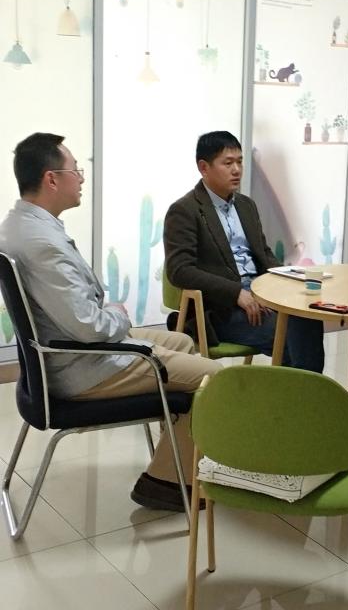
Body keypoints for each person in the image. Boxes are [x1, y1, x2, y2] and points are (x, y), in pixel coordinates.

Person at [0, 133, 222, 513]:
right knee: (214, 377)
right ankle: (165, 484)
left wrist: (109, 316)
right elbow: (89, 327)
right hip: (84, 365)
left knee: (183, 343)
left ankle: (173, 458)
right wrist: (117, 314)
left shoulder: (18, 225)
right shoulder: (43, 243)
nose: (81, 179)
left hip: (62, 354)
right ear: (51, 179)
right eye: (76, 170)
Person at [164, 130, 324, 372]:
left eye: (240, 162)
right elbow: (180, 271)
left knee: (308, 316)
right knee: (292, 335)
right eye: (228, 163)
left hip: (260, 294)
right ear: (204, 167)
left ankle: (300, 392)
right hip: (221, 309)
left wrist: (287, 280)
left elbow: (264, 255)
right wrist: (235, 292)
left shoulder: (246, 206)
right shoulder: (185, 211)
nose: (237, 170)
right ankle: (301, 393)